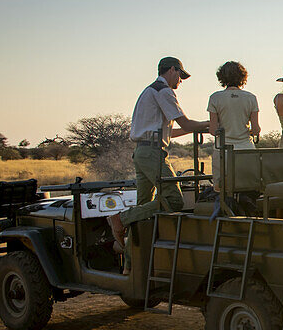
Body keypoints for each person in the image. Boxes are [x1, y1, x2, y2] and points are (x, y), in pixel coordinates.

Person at [107, 57, 209, 252]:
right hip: (153, 153)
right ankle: (120, 219)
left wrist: (198, 127)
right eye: (181, 76)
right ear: (173, 70)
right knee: (174, 200)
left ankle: (130, 262)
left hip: (141, 152)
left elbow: (174, 131)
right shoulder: (164, 91)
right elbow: (186, 124)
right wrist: (209, 124)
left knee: (143, 209)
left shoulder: (148, 91)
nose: (181, 81)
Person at [207, 61, 260, 191]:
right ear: (242, 77)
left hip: (223, 149)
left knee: (223, 189)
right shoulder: (251, 98)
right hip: (246, 149)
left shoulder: (215, 98)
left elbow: (213, 130)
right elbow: (255, 129)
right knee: (247, 187)